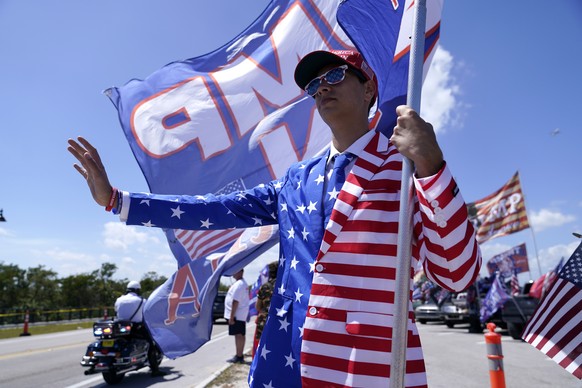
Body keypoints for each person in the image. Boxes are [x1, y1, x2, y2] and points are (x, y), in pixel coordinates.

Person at [68, 49, 481, 387]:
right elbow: (214, 210)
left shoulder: (408, 167)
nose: (321, 89)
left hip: (370, 367)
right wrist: (118, 201)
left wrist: (432, 165)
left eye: (335, 76)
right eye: (313, 85)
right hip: (289, 360)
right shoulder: (295, 180)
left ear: (368, 86)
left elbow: (457, 274)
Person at [114, 281, 164, 377]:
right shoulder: (141, 300)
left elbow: (116, 311)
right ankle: (155, 370)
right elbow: (148, 313)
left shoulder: (119, 299)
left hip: (120, 328)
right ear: (137, 290)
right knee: (152, 343)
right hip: (136, 328)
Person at [224, 268, 250, 364]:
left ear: (241, 272)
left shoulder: (239, 285)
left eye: (235, 271)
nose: (233, 273)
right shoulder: (240, 284)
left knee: (239, 335)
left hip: (237, 315)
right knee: (240, 335)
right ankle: (239, 354)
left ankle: (239, 356)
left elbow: (235, 301)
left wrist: (231, 317)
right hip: (239, 315)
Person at [253, 261, 278, 358]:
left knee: (262, 350)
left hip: (265, 321)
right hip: (280, 322)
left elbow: (258, 307)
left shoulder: (265, 287)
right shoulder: (285, 286)